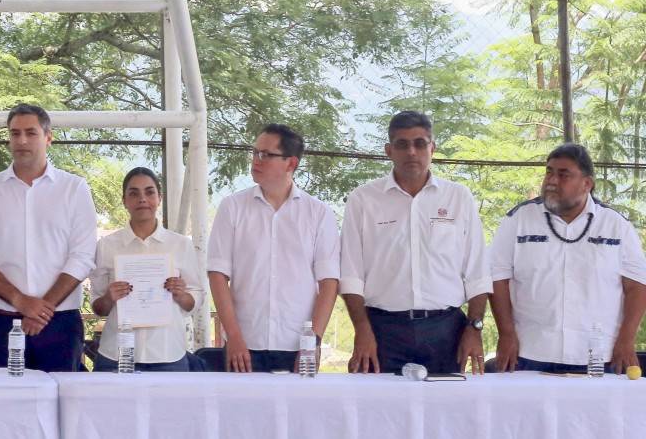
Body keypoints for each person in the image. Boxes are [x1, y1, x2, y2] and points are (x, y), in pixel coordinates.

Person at [340, 111, 491, 375]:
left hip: (446, 333)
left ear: (432, 148)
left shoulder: (459, 198)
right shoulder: (363, 200)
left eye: (420, 143)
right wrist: (362, 330)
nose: (412, 151)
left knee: (446, 412)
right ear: (389, 150)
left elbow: (477, 272)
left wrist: (474, 328)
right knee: (379, 411)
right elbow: (351, 275)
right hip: (382, 332)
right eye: (402, 144)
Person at [490, 143, 646, 374]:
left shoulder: (615, 225)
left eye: (563, 175)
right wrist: (506, 333)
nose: (552, 181)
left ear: (587, 184)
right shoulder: (518, 219)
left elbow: (637, 286)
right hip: (530, 352)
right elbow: (497, 277)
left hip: (597, 356)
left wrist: (626, 340)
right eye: (549, 172)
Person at [0, 104, 97, 372]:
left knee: (61, 409)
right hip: (0, 324)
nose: (22, 140)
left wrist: (43, 308)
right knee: (0, 408)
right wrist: (21, 301)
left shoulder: (74, 188)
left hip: (59, 325)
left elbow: (83, 256)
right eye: (15, 134)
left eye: (31, 133)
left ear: (48, 137)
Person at [207, 124, 340, 372]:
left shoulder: (318, 213)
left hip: (297, 345)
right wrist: (233, 337)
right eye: (255, 152)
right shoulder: (232, 207)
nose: (256, 160)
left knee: (298, 411)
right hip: (244, 345)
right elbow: (217, 274)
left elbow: (329, 282)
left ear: (291, 164)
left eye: (266, 155)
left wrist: (313, 342)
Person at [91, 167, 200, 371]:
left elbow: (195, 298)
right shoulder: (107, 245)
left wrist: (181, 294)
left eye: (149, 192)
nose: (142, 199)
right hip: (116, 355)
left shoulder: (180, 245)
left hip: (168, 354)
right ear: (124, 200)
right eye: (134, 193)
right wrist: (108, 298)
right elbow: (97, 307)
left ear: (159, 198)